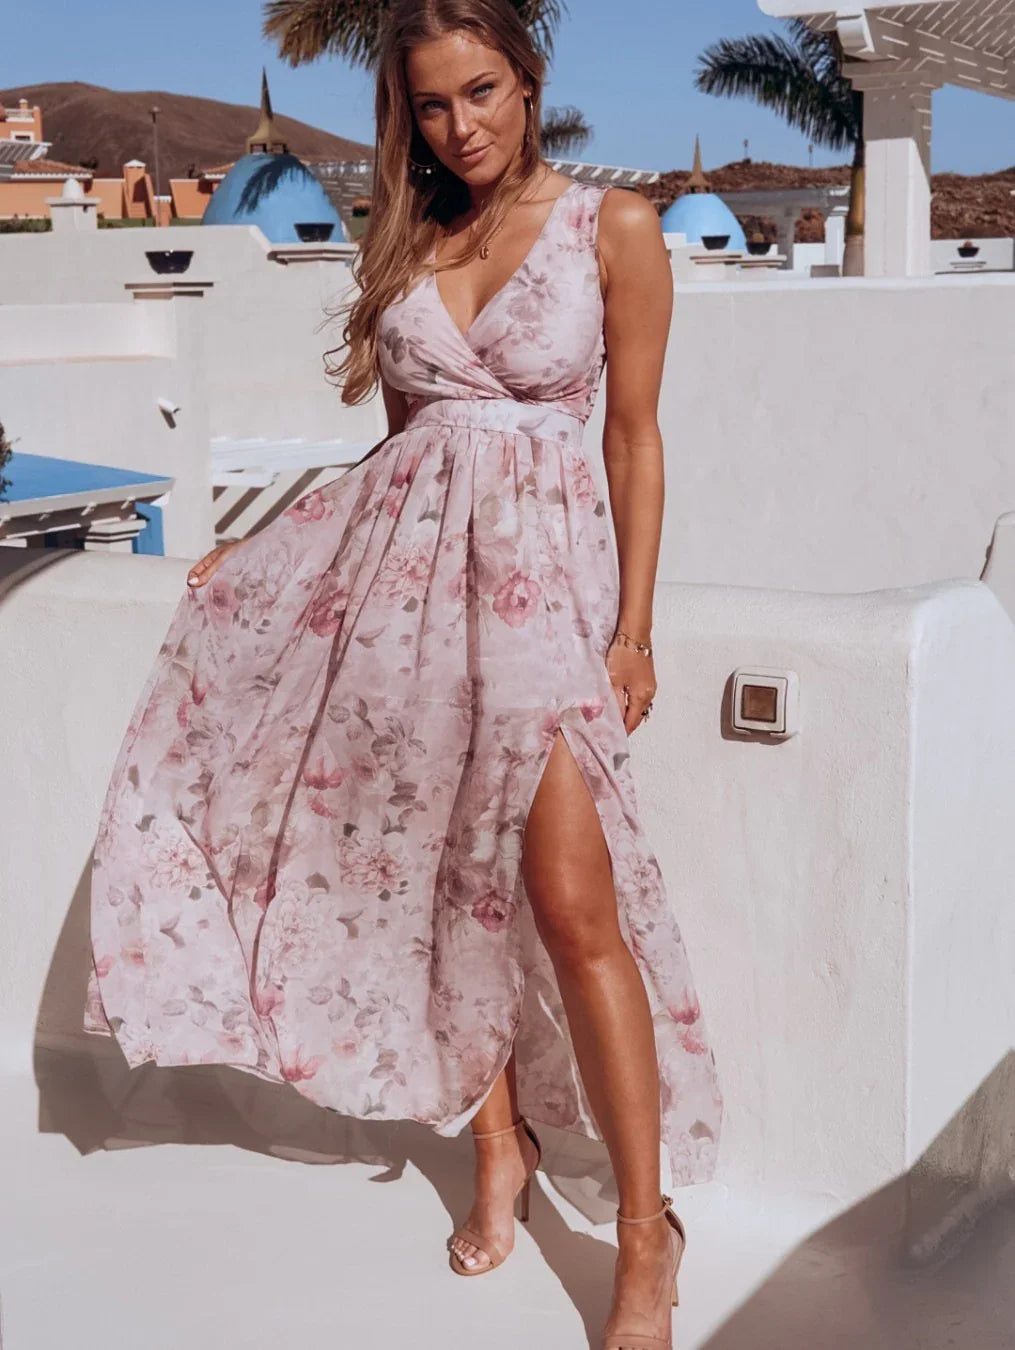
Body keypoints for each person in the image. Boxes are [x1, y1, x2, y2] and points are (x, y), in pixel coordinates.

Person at [86, 1, 722, 1344]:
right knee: (438, 888)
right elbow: (406, 453)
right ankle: (499, 1148)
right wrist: (260, 555)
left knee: (569, 899)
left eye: (482, 91)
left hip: (546, 604)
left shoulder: (614, 228)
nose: (462, 125)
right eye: (433, 105)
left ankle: (647, 1232)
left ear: (529, 80)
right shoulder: (412, 241)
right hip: (403, 609)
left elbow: (638, 440)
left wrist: (636, 631)